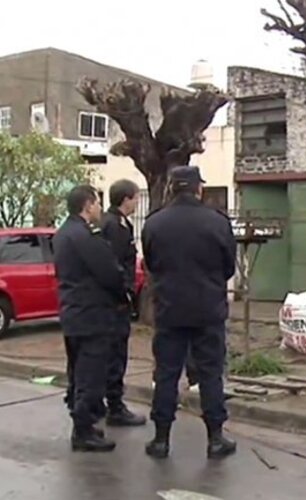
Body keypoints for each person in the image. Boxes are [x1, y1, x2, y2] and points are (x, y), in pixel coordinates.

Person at [142, 166, 237, 459]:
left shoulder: (154, 223)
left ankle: (160, 439)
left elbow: (152, 263)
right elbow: (228, 267)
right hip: (208, 309)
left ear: (171, 188)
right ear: (198, 189)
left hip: (170, 309)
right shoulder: (217, 222)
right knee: (210, 374)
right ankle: (215, 437)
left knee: (167, 374)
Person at [54, 185, 128, 452]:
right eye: (97, 203)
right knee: (90, 375)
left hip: (73, 313)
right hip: (92, 316)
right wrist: (123, 295)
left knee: (77, 372)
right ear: (87, 205)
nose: (99, 208)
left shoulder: (63, 233)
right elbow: (109, 273)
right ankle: (83, 431)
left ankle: (83, 424)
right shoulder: (85, 236)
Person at [98, 179, 146, 427]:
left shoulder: (112, 223)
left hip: (110, 301)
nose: (138, 202)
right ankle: (114, 407)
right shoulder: (115, 226)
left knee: (111, 354)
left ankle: (106, 403)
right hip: (115, 303)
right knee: (116, 354)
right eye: (136, 198)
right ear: (126, 199)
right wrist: (124, 294)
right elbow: (114, 266)